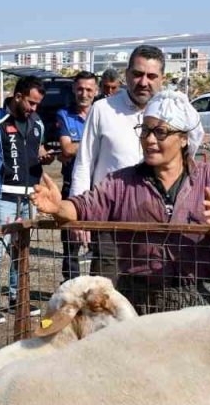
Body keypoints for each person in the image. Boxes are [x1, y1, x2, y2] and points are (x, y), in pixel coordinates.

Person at [33, 90, 210, 314]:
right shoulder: (122, 183)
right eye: (145, 131)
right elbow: (83, 207)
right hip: (141, 300)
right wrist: (58, 207)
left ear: (183, 139)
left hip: (202, 297)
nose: (149, 140)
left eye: (160, 132)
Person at [70, 45, 166, 280]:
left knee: (150, 293)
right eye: (137, 74)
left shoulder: (169, 112)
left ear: (162, 79)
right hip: (109, 221)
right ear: (127, 74)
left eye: (152, 76)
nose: (143, 82)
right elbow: (84, 163)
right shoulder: (103, 109)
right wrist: (79, 215)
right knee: (105, 296)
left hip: (156, 221)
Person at [0, 75, 53, 324]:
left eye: (37, 104)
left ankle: (18, 298)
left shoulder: (37, 122)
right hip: (3, 194)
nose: (34, 108)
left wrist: (46, 157)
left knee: (22, 250)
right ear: (18, 96)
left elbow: (36, 149)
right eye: (31, 103)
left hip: (29, 195)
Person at [55, 71, 97, 280]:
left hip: (99, 185)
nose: (84, 93)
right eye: (80, 88)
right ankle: (70, 284)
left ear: (95, 91)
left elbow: (72, 148)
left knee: (100, 242)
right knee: (70, 242)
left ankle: (97, 289)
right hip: (71, 184)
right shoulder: (64, 114)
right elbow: (66, 148)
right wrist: (94, 145)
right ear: (73, 89)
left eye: (89, 89)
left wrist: (76, 146)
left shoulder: (101, 113)